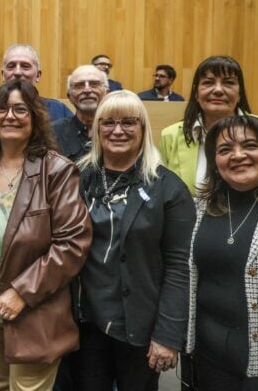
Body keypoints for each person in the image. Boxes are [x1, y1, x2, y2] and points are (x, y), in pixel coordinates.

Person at [0, 79, 92, 391]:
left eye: (20, 109)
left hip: (32, 309)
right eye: (1, 109)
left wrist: (22, 293)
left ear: (35, 117)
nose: (10, 116)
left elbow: (72, 243)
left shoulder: (56, 170)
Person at [71, 90, 195, 391]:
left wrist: (167, 335)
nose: (117, 130)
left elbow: (180, 267)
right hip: (84, 323)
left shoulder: (168, 188)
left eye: (129, 122)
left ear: (143, 128)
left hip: (140, 324)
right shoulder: (76, 177)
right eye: (108, 122)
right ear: (97, 128)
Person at [187, 115, 258, 390]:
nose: (237, 155)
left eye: (250, 145)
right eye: (224, 150)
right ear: (215, 164)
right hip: (208, 359)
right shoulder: (199, 207)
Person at [159, 55, 258, 191]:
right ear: (196, 93)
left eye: (229, 83)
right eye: (208, 83)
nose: (218, 90)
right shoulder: (170, 136)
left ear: (239, 94)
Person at [2, 43, 74, 121]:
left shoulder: (58, 110)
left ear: (38, 75)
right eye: (11, 66)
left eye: (25, 66)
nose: (17, 72)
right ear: (3, 75)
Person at [52, 65, 109, 162]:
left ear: (107, 93)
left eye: (94, 84)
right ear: (69, 96)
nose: (87, 90)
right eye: (79, 85)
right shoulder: (52, 133)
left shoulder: (119, 131)